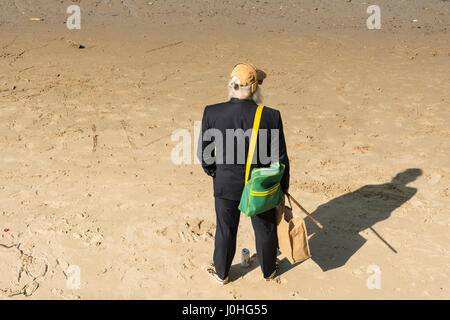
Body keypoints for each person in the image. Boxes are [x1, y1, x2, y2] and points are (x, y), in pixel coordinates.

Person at [197, 63, 290, 284]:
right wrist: (283, 186)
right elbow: (281, 158)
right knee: (265, 228)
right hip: (260, 184)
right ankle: (269, 271)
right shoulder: (271, 116)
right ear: (255, 88)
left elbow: (205, 154)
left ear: (231, 85)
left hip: (225, 183)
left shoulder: (212, 112)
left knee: (226, 230)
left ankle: (222, 273)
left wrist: (214, 173)